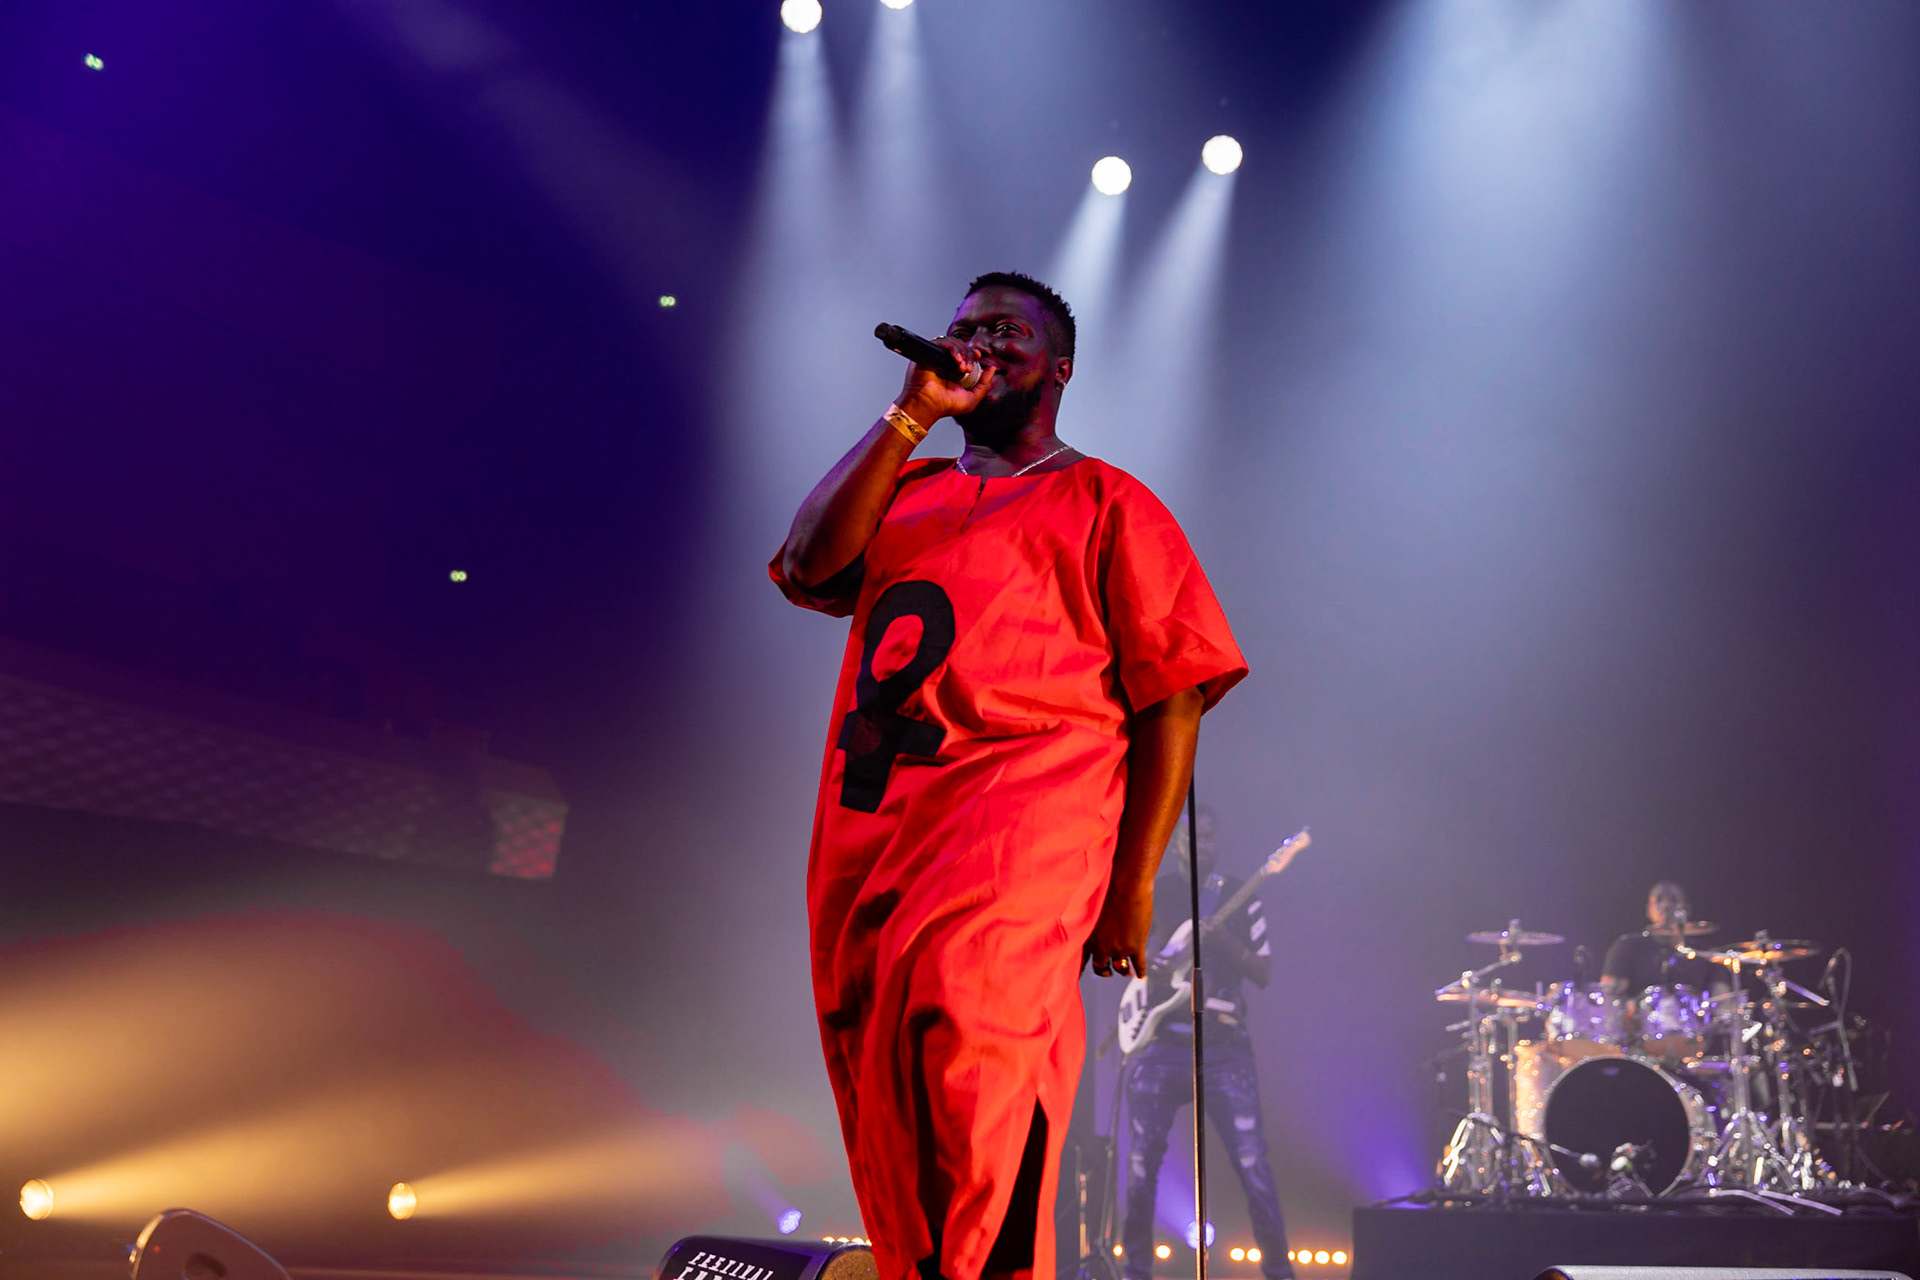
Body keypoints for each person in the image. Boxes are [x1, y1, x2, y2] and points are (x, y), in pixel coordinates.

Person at [771, 271, 1247, 1280]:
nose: (979, 339)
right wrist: (908, 415)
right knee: (890, 1091)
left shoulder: (1109, 502)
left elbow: (1172, 697)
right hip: (876, 829)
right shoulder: (905, 487)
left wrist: (1131, 884)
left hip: (1022, 824)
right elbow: (809, 565)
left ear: (1059, 367)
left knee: (975, 1059)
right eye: (965, 325)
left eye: (1007, 329)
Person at [1122, 811, 1293, 1280]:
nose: (1201, 845)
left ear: (1217, 842)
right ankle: (1135, 1271)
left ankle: (1279, 1272)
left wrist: (1226, 945)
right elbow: (1128, 957)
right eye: (1192, 838)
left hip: (1223, 1048)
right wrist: (1150, 970)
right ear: (1175, 842)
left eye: (1209, 837)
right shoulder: (1156, 891)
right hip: (1162, 1041)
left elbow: (1263, 973)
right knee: (1139, 1164)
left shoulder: (1239, 894)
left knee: (1254, 1163)